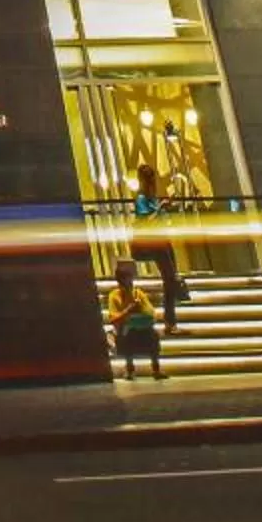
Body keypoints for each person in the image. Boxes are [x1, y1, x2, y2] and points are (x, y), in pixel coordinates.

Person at [131, 160, 183, 332]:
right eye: (150, 179)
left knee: (171, 278)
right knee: (169, 278)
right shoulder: (142, 199)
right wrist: (160, 208)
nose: (152, 183)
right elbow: (146, 220)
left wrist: (166, 207)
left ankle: (171, 320)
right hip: (153, 242)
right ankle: (170, 321)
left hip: (162, 240)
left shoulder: (152, 199)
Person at [106, 258, 164, 380]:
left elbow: (151, 313)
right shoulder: (114, 296)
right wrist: (128, 311)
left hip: (142, 327)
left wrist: (140, 308)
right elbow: (112, 318)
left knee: (153, 334)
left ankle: (156, 369)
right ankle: (130, 369)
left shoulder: (138, 293)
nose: (128, 284)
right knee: (127, 335)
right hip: (124, 329)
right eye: (125, 281)